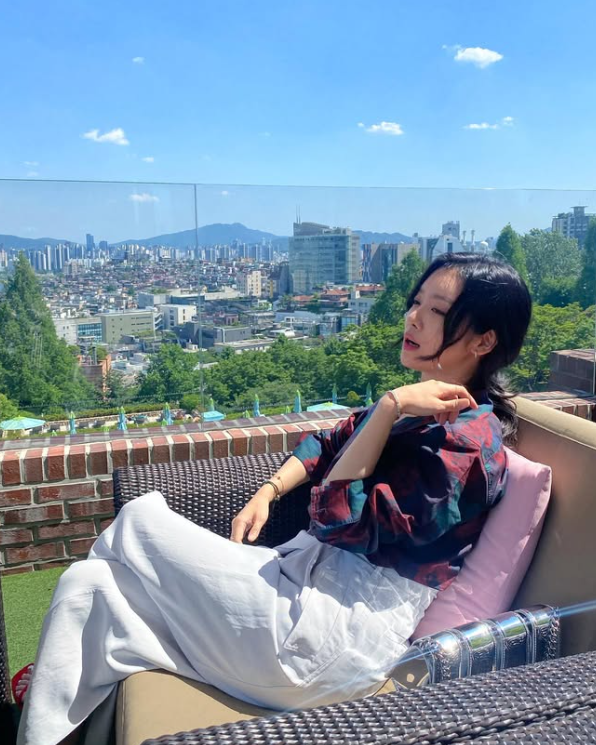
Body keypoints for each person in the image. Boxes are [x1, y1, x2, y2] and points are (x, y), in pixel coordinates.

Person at [16, 253, 532, 745]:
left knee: (137, 519)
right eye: (415, 302)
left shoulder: (464, 448)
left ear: (484, 340)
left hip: (329, 641)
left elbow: (337, 518)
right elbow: (329, 442)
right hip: (299, 592)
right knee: (87, 586)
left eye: (437, 311)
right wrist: (268, 491)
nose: (413, 317)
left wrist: (389, 406)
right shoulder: (423, 411)